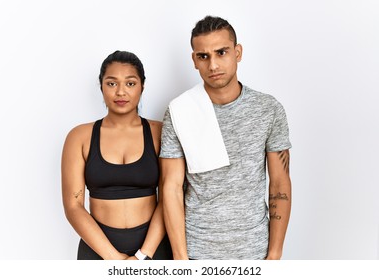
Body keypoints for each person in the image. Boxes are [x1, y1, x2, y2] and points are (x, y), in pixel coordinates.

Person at [160, 16, 292, 260]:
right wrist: (181, 259)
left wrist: (274, 254)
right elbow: (171, 188)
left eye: (221, 52)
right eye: (203, 56)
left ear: (237, 52)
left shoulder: (268, 109)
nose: (213, 65)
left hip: (255, 251)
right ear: (194, 60)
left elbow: (280, 184)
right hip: (197, 251)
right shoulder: (180, 111)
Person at [61, 50, 172, 260]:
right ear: (101, 86)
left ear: (142, 86)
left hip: (154, 248)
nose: (121, 92)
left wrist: (143, 255)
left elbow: (170, 195)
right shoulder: (79, 137)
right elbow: (73, 206)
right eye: (112, 83)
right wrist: (113, 258)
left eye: (130, 83)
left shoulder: (160, 133)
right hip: (98, 250)